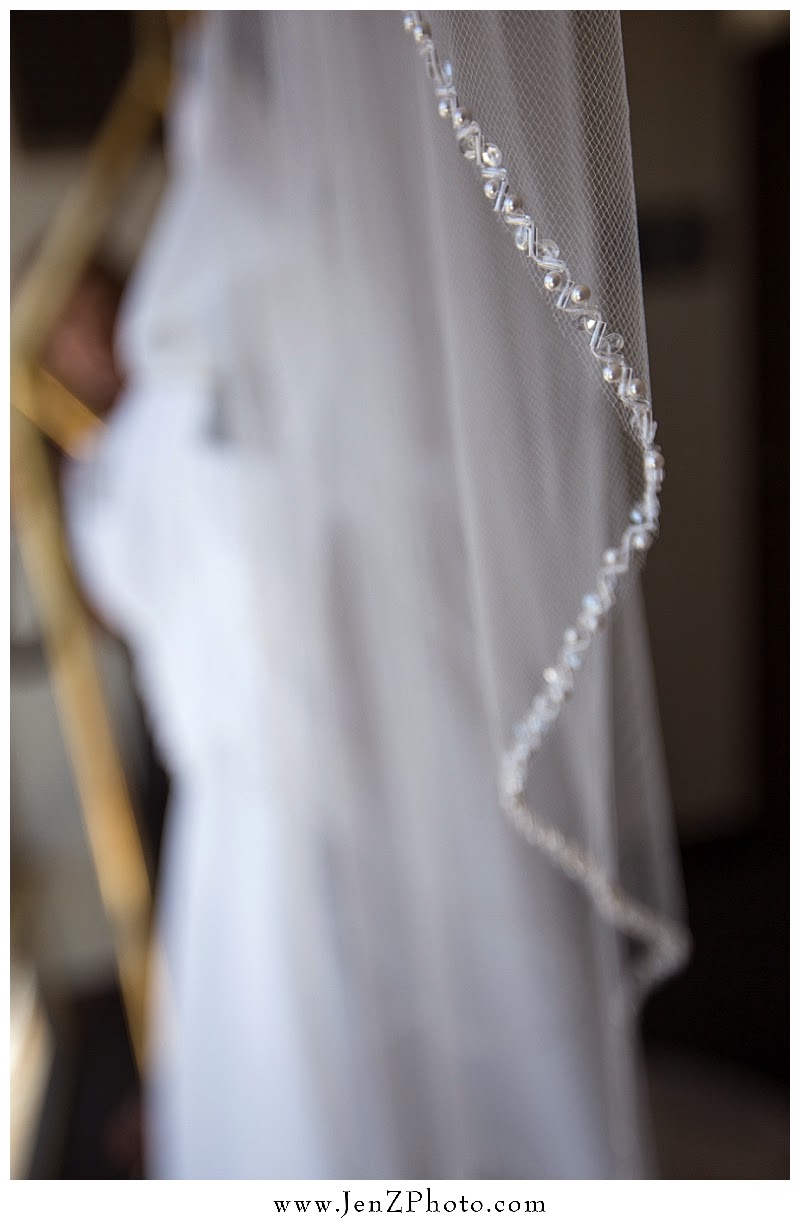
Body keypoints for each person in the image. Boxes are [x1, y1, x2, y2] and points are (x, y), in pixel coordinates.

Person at [67, 11, 687, 1178]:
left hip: (269, 834)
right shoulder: (384, 354)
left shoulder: (182, 424)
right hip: (419, 773)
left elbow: (118, 572)